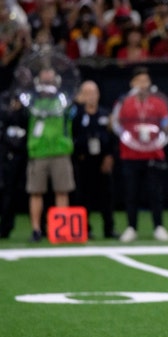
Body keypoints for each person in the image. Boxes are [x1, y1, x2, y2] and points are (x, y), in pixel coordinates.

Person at [112, 66, 168, 243]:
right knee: (131, 194)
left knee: (156, 193)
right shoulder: (124, 103)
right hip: (130, 154)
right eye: (139, 81)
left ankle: (159, 227)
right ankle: (131, 227)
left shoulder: (158, 102)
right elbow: (115, 124)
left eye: (145, 81)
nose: (143, 85)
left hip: (153, 154)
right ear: (132, 83)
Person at [25, 66, 76, 242]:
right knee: (36, 192)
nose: (47, 78)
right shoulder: (31, 99)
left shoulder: (64, 100)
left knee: (62, 191)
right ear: (39, 79)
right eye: (44, 75)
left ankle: (61, 229)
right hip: (38, 150)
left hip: (60, 150)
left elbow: (73, 114)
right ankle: (36, 230)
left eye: (50, 74)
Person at [70, 80, 117, 239]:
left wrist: (110, 156)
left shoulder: (105, 113)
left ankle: (109, 229)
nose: (91, 97)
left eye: (94, 93)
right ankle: (85, 229)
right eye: (87, 93)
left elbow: (112, 137)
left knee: (107, 196)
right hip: (84, 161)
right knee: (83, 196)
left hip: (103, 160)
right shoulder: (76, 114)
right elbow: (72, 136)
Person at [0, 90, 29, 239]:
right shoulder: (5, 114)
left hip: (23, 158)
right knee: (7, 193)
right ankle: (4, 227)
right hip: (7, 159)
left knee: (23, 193)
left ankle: (38, 227)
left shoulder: (26, 114)